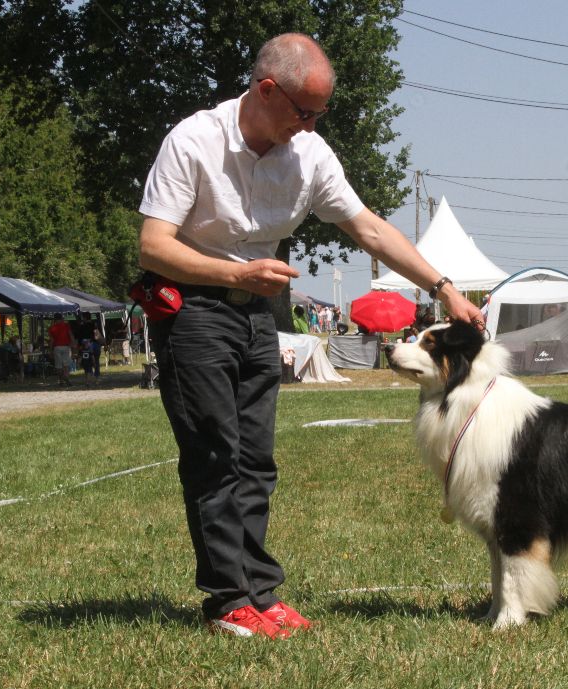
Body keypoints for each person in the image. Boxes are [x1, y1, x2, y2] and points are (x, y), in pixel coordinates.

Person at [137, 33, 484, 639]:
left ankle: (261, 594)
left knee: (256, 459)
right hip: (192, 312)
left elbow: (370, 230)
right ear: (266, 90)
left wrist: (444, 288)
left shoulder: (312, 155)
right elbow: (154, 246)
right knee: (215, 454)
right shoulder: (193, 141)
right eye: (304, 111)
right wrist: (236, 271)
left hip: (255, 317)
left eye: (319, 113)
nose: (312, 123)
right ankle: (226, 600)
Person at [47, 315, 75, 386]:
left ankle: (61, 381)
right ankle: (66, 378)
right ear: (61, 319)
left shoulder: (51, 328)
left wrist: (50, 350)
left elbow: (51, 340)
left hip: (57, 347)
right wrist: (73, 344)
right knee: (66, 365)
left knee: (58, 366)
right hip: (66, 346)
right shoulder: (66, 325)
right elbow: (71, 335)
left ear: (55, 320)